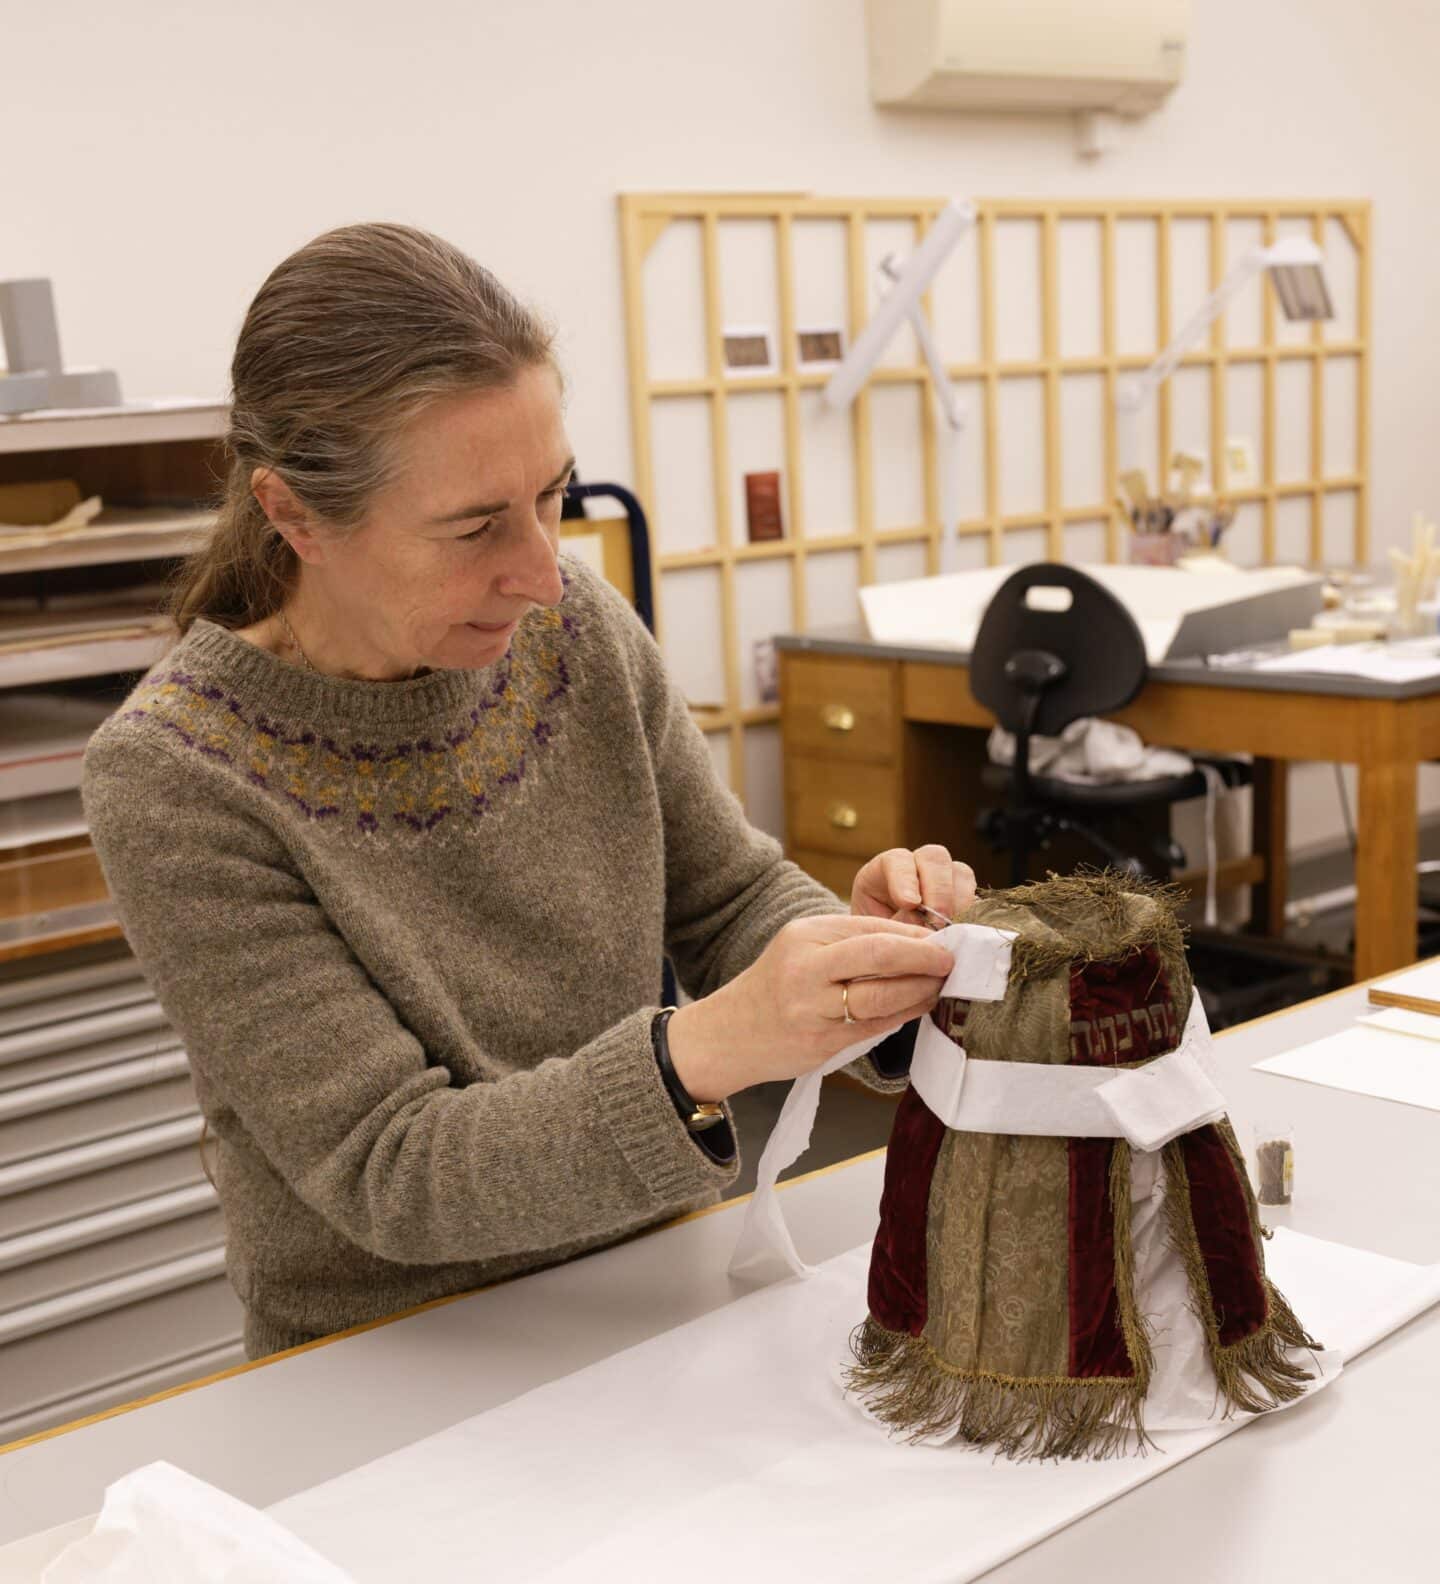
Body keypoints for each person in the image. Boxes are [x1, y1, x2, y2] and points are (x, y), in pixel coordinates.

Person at [80, 222, 975, 1361]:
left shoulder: (572, 629)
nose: (544, 571)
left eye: (553, 495)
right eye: (474, 528)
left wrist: (863, 960)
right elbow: (390, 1166)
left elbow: (724, 896)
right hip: (383, 1362)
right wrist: (705, 1049)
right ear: (295, 515)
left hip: (651, 1286)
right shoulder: (174, 776)